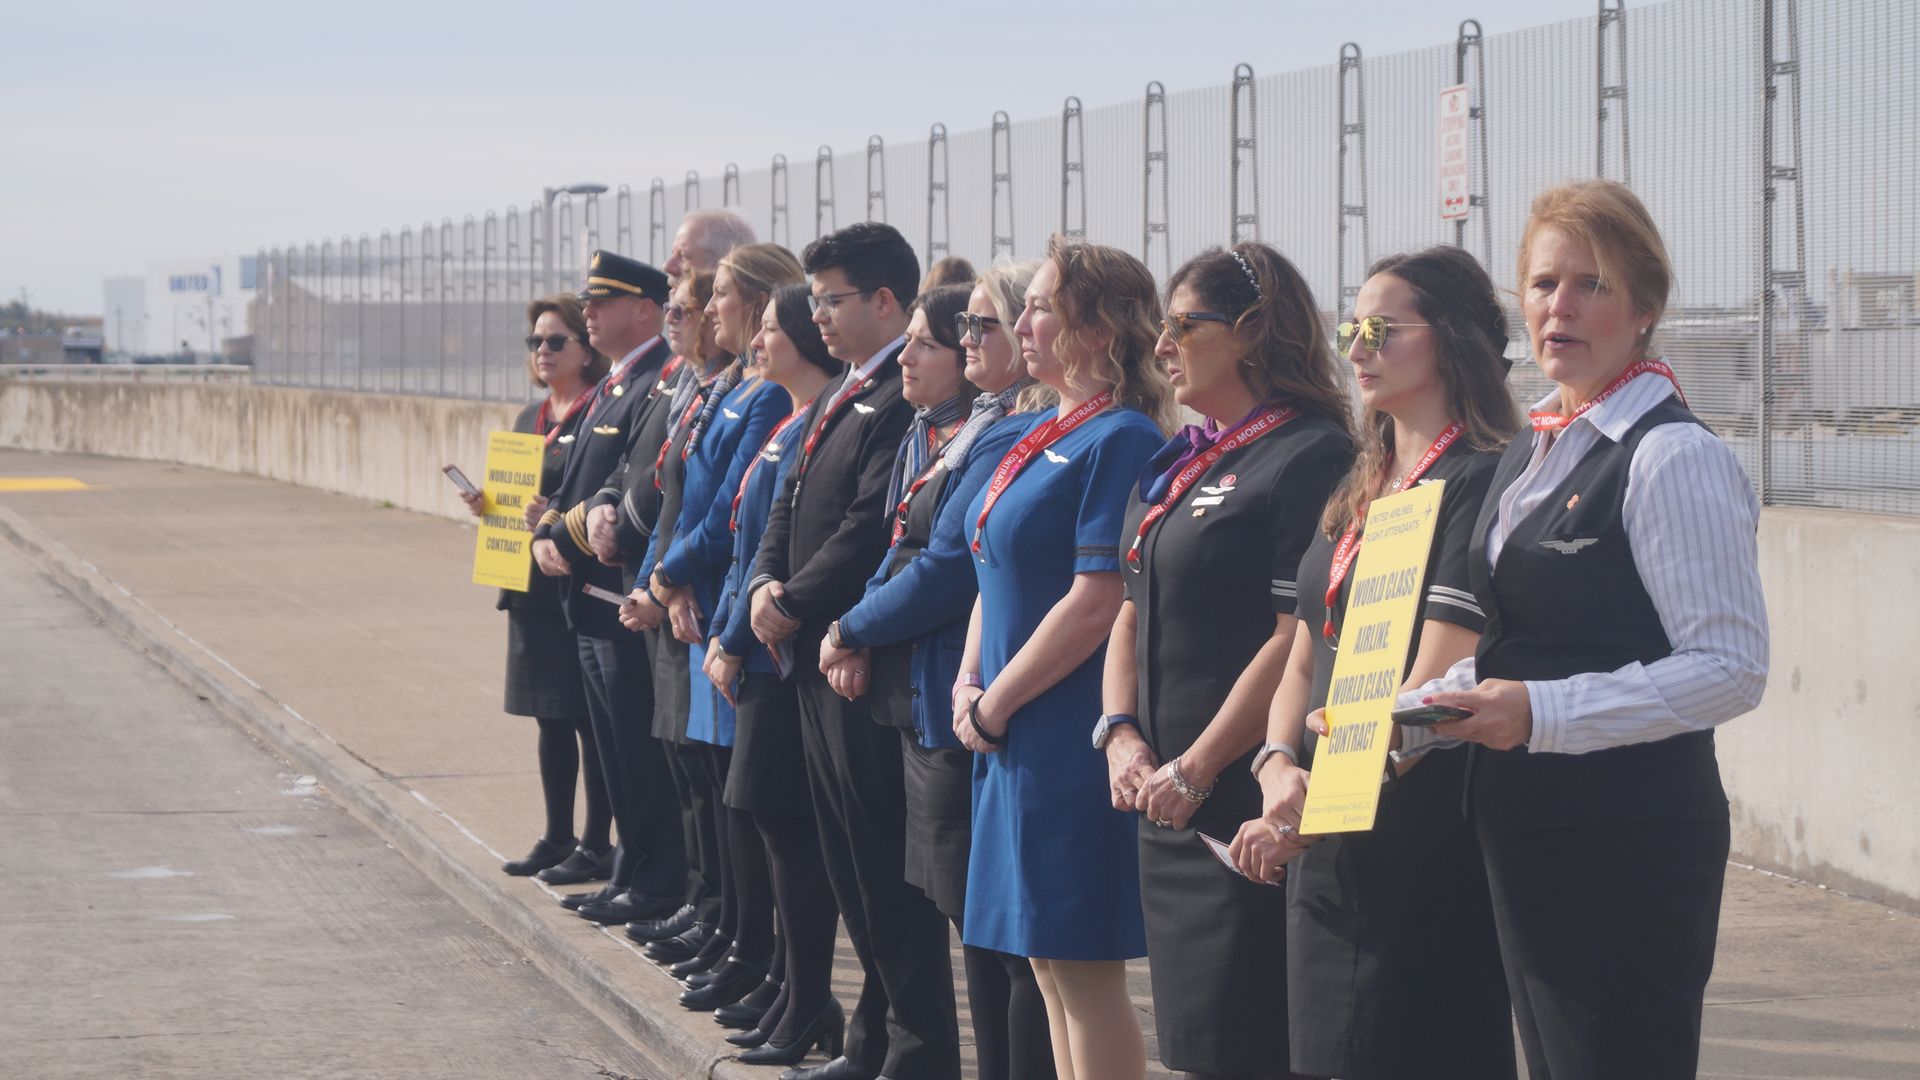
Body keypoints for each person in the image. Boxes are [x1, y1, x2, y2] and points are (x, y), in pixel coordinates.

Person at [1397, 181, 1768, 1079]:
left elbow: (1730, 669)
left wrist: (1540, 713)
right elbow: (1528, 633)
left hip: (1626, 843)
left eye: (1590, 285)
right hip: (1527, 831)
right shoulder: (1534, 446)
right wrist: (1433, 704)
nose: (1558, 306)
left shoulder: (1672, 455)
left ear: (1644, 310)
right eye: (1541, 283)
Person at [1225, 247, 1521, 1079]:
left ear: (1453, 341)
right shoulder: (1364, 483)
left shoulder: (1480, 478)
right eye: (1351, 327)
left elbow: (1430, 687)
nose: (1355, 347)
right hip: (1320, 835)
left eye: (1381, 329)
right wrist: (1277, 763)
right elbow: (1302, 652)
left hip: (1411, 848)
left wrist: (1303, 814)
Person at [1099, 243, 1353, 1080]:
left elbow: (1293, 638)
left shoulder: (1306, 452)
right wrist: (1122, 735)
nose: (1161, 345)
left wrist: (1197, 768)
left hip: (1236, 804)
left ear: (1249, 332)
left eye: (1182, 325)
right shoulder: (1183, 458)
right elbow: (1129, 607)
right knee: (1197, 1046)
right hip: (1163, 798)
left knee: (1248, 1043)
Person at [820, 272, 1057, 1080]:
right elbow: (900, 546)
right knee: (952, 916)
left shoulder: (1008, 431)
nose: (955, 345)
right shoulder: (962, 427)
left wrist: (850, 626)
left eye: (970, 327)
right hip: (928, 691)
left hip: (971, 703)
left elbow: (952, 565)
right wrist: (852, 631)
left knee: (996, 939)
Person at [952, 236, 1176, 1080]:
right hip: (1007, 719)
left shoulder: (1117, 436)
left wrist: (996, 702)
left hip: (1056, 730)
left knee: (1081, 971)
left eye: (1045, 305)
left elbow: (1094, 600)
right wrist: (972, 680)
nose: (1026, 320)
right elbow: (990, 565)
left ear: (1100, 326)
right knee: (1044, 966)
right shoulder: (1043, 425)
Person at [748, 222, 957, 1080]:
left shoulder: (901, 399)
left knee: (884, 878)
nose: (815, 314)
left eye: (830, 298)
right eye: (814, 298)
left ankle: (913, 1052)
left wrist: (797, 605)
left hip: (859, 663)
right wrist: (766, 585)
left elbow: (868, 527)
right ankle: (875, 1047)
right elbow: (790, 508)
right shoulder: (841, 395)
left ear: (883, 300)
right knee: (848, 871)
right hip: (813, 655)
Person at [628, 244, 804, 1011]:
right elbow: (677, 503)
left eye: (721, 294)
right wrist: (656, 581)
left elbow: (730, 514)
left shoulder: (764, 397)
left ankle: (754, 948)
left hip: (717, 608)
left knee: (741, 798)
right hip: (695, 602)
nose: (705, 310)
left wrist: (668, 579)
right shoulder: (724, 388)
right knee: (707, 782)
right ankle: (730, 932)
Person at [578, 233, 742, 942]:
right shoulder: (682, 382)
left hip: (694, 605)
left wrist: (664, 577)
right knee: (678, 769)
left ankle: (716, 918)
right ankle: (694, 905)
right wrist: (583, 522)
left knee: (709, 783)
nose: (678, 301)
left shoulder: (733, 392)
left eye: (686, 294)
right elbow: (638, 475)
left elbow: (709, 507)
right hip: (651, 594)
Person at [706, 286, 844, 1065]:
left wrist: (733, 634)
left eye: (768, 329)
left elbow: (785, 541)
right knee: (764, 817)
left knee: (786, 828)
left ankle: (807, 996)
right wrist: (728, 633)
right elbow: (749, 538)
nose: (756, 342)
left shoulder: (814, 419)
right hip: (751, 639)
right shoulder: (791, 419)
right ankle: (796, 994)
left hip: (781, 649)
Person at [528, 251, 686, 926]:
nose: (587, 312)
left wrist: (560, 537)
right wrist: (552, 536)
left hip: (618, 595)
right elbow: (588, 486)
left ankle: (653, 878)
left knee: (636, 753)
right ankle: (632, 868)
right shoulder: (621, 385)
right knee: (616, 750)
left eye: (603, 301)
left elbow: (635, 485)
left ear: (643, 309)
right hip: (590, 597)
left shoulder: (656, 378)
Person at [458, 295, 614, 880]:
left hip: (574, 583)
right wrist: (488, 506)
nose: (542, 352)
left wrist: (554, 514)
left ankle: (598, 841)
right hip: (526, 586)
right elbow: (517, 504)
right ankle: (557, 834)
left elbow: (599, 496)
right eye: (535, 343)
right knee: (548, 717)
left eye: (556, 342)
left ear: (585, 348)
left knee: (589, 722)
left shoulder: (601, 411)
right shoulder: (531, 417)